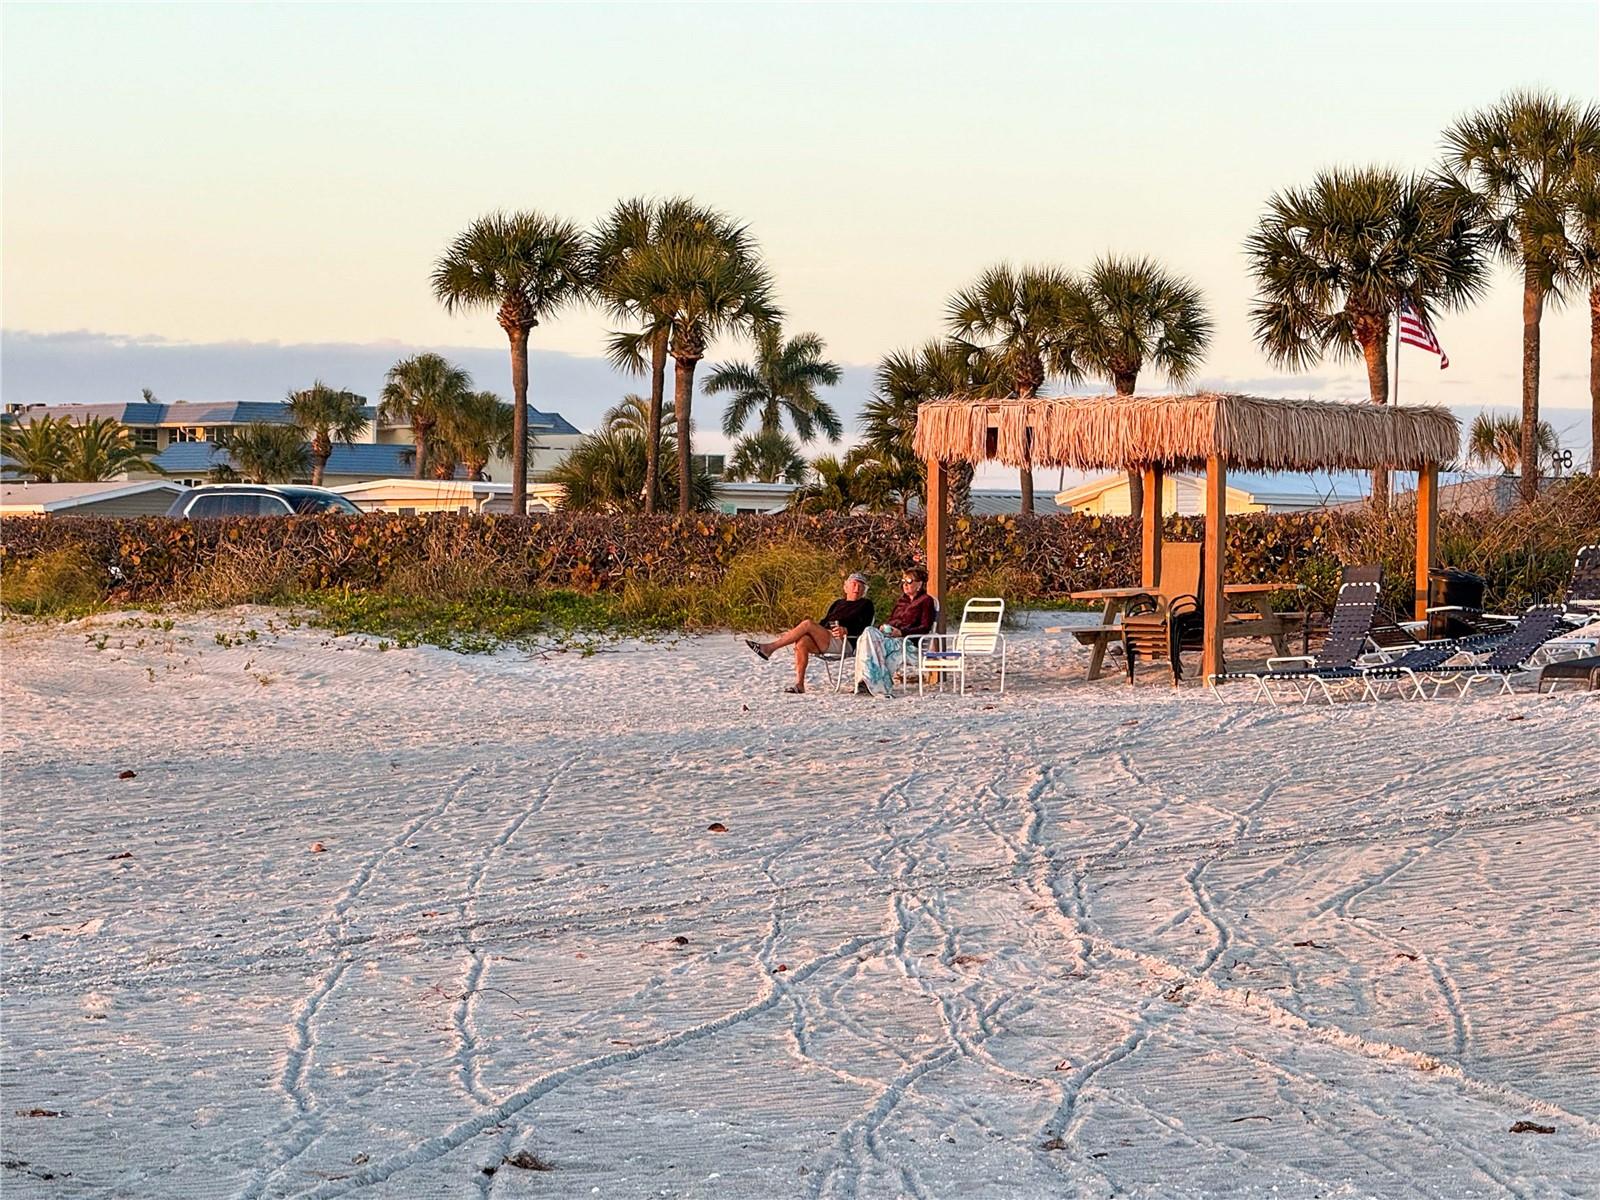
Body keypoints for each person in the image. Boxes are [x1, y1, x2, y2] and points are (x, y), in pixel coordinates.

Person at [747, 572, 874, 693]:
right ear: (846, 587)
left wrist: (846, 630)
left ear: (864, 590)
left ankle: (770, 648)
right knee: (802, 642)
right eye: (854, 584)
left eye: (860, 586)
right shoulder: (838, 603)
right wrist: (815, 632)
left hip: (846, 641)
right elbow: (824, 622)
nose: (856, 588)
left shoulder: (866, 604)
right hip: (827, 636)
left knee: (807, 623)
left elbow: (865, 627)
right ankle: (799, 684)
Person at [853, 566, 937, 697]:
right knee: (866, 636)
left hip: (907, 642)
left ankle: (870, 682)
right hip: (891, 638)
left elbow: (925, 627)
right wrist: (884, 627)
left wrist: (901, 632)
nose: (905, 584)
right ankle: (868, 681)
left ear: (919, 584)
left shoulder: (926, 601)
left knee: (868, 638)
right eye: (903, 581)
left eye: (909, 581)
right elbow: (892, 620)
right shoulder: (901, 602)